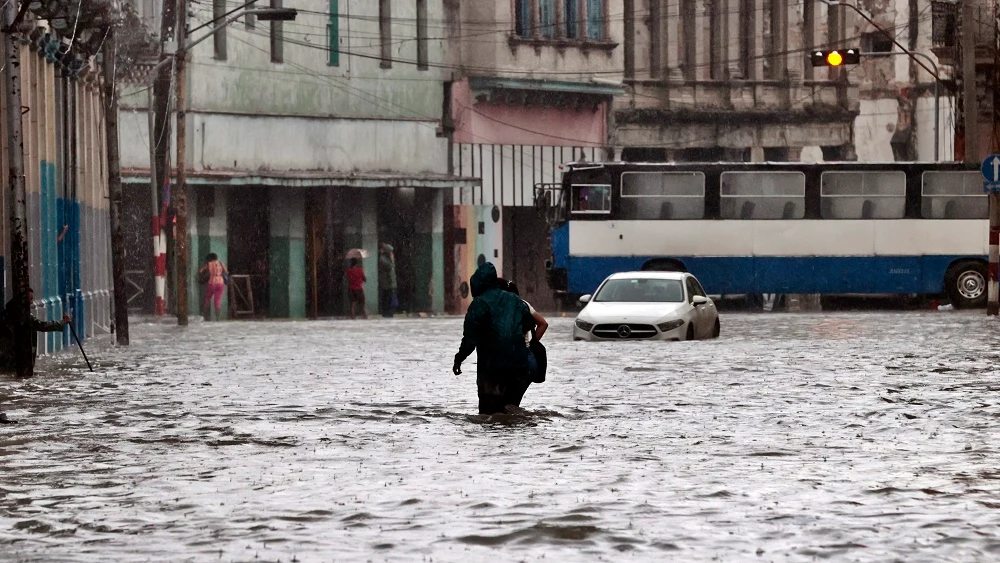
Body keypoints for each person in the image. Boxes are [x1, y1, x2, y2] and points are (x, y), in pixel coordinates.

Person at [453, 262, 536, 415]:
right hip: (518, 364)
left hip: (491, 367)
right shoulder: (513, 299)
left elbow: (470, 338)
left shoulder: (479, 303)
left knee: (488, 413)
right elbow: (530, 322)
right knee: (510, 409)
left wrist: (459, 359)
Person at [0, 287, 71, 376]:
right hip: (15, 358)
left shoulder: (7, 313)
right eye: (30, 299)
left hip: (7, 357)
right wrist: (62, 322)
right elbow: (42, 325)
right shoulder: (23, 316)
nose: (31, 302)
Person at [198, 253, 228, 321]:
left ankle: (203, 316)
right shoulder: (221, 263)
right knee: (217, 301)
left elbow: (200, 271)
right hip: (220, 283)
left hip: (211, 283)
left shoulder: (208, 264)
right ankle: (218, 318)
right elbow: (226, 271)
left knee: (207, 299)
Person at [378, 243, 397, 318]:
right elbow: (389, 267)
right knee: (387, 299)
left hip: (391, 283)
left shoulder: (388, 259)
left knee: (390, 298)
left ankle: (389, 312)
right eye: (391, 252)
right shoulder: (383, 259)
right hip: (386, 283)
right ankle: (386, 313)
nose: (392, 254)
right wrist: (392, 261)